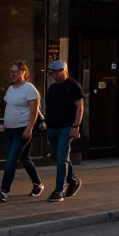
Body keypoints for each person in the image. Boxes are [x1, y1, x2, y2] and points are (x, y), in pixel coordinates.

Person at [0, 61, 43, 202]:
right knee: (23, 158)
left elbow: (34, 111)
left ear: (23, 72)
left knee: (10, 161)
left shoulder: (29, 89)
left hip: (22, 130)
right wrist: (5, 124)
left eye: (15, 71)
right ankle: (38, 184)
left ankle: (3, 191)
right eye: (10, 71)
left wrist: (29, 128)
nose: (12, 74)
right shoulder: (11, 88)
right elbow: (9, 107)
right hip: (9, 130)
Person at [44, 59, 85, 202]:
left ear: (64, 71)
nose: (55, 76)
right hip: (52, 127)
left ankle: (59, 190)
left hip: (66, 128)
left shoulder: (73, 86)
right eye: (53, 74)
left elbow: (80, 107)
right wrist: (45, 123)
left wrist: (76, 126)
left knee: (62, 158)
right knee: (60, 157)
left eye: (57, 73)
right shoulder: (52, 88)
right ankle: (73, 180)